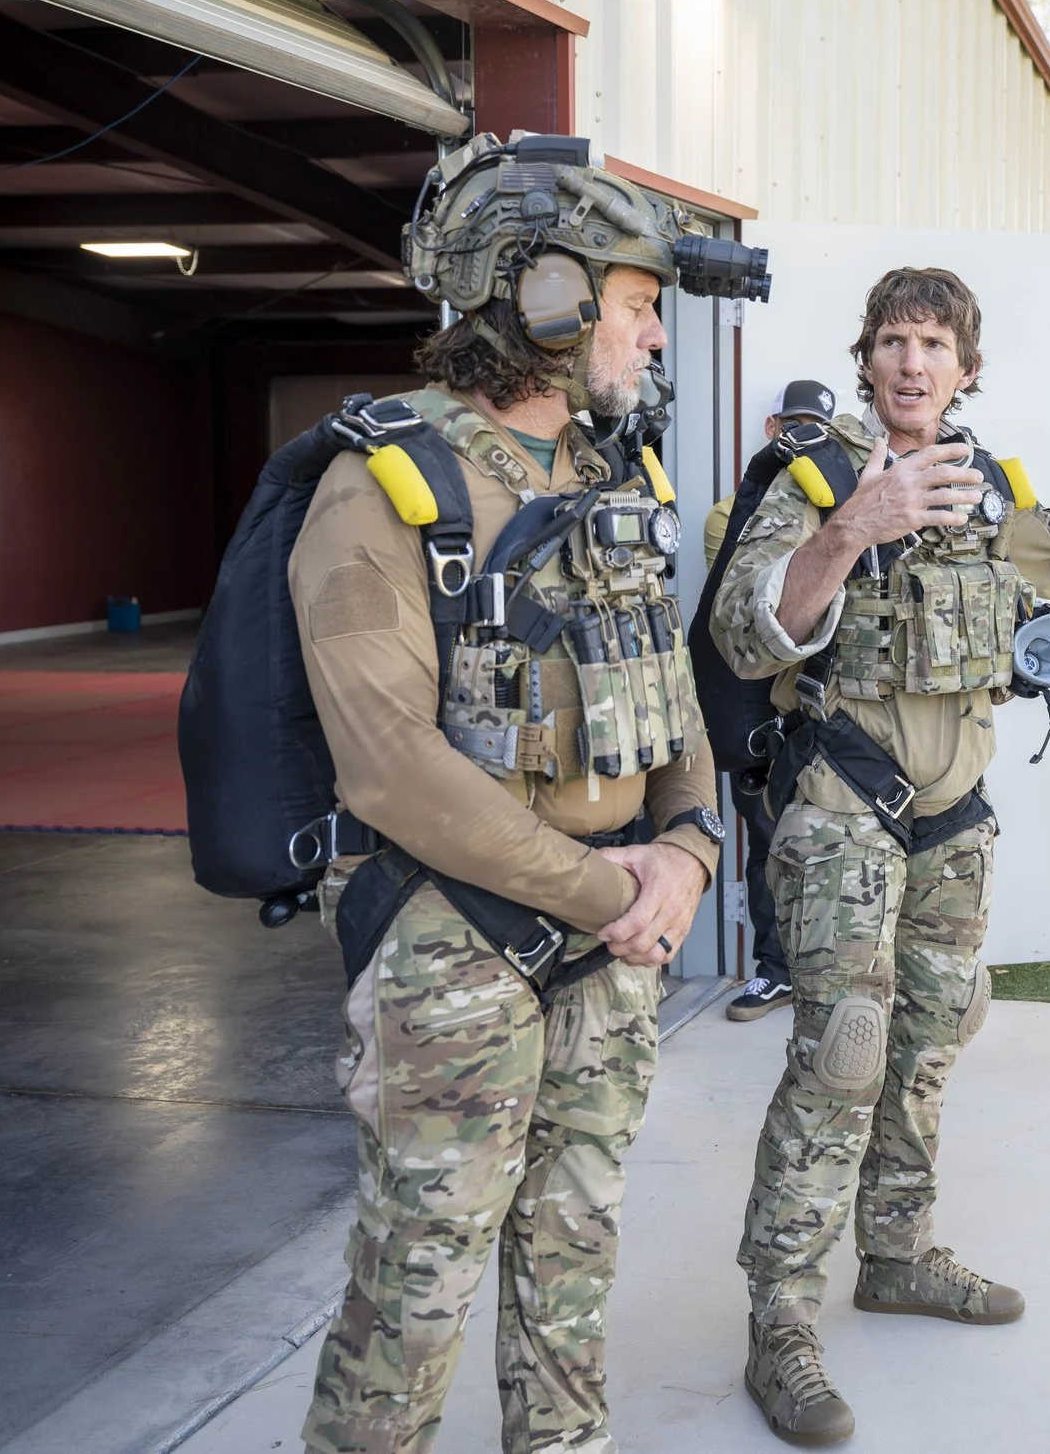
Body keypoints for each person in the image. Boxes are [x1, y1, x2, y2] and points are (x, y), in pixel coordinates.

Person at [708, 266, 1050, 1444]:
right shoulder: (812, 479)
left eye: (933, 342)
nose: (910, 361)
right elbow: (745, 631)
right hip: (845, 803)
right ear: (866, 357)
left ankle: (894, 1252)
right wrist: (856, 523)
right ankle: (781, 1319)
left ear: (966, 367)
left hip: (953, 819)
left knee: (930, 1042)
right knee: (840, 1056)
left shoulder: (984, 483)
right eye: (892, 340)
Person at [288, 148, 724, 1454]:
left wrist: (691, 852)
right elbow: (389, 769)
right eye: (637, 298)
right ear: (546, 296)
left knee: (573, 1255)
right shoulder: (383, 489)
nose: (653, 328)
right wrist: (618, 892)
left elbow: (673, 685)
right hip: (451, 941)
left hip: (613, 936)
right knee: (416, 1286)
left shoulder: (613, 482)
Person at [707, 379, 841, 1020]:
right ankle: (775, 969)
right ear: (772, 428)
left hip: (821, 709)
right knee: (770, 843)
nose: (804, 440)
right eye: (795, 425)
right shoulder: (727, 515)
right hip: (761, 710)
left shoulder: (842, 505)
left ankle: (829, 979)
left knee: (835, 848)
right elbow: (764, 610)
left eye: (819, 428)